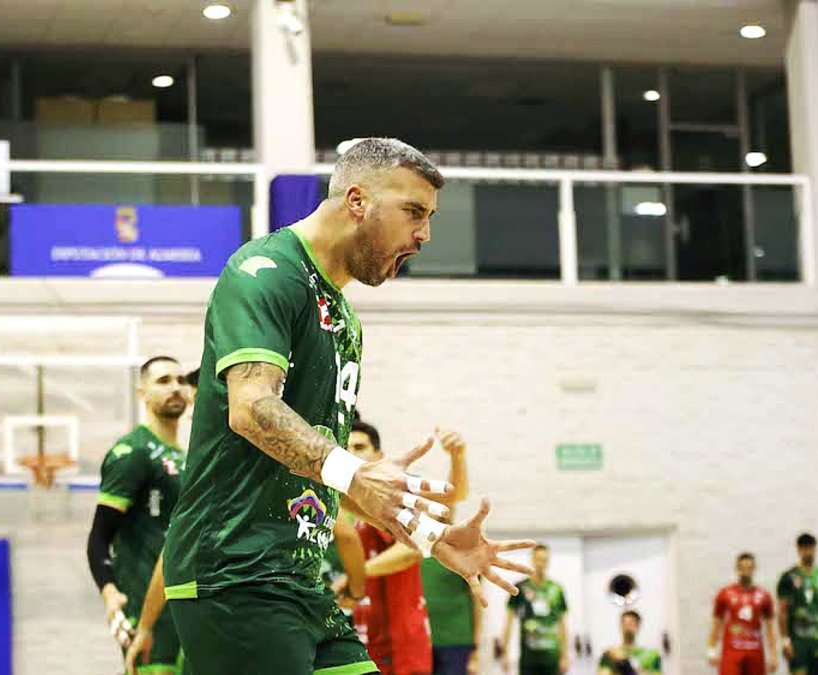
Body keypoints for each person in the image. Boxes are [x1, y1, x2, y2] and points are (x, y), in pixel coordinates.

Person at [156, 137, 534, 675]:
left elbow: (324, 467)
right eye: (414, 213)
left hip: (300, 584)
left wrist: (432, 537)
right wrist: (354, 470)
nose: (424, 235)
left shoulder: (343, 316)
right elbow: (251, 406)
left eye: (429, 218)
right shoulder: (263, 272)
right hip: (234, 573)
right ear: (357, 200)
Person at [85, 356, 190, 675]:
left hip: (185, 604)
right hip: (148, 606)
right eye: (163, 381)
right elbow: (99, 534)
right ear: (142, 393)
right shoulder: (133, 452)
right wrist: (109, 591)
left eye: (180, 380)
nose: (175, 387)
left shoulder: (184, 456)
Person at [349, 421, 470, 675]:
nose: (352, 453)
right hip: (361, 631)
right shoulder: (341, 502)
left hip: (399, 640)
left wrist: (457, 457)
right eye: (346, 448)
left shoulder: (390, 492)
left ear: (379, 456)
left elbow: (450, 497)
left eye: (360, 447)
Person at [420, 430, 478, 675]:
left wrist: (475, 646)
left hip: (455, 640)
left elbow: (477, 599)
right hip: (419, 639)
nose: (440, 511)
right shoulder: (410, 546)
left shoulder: (462, 550)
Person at [499, 544, 569, 675]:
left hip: (552, 657)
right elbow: (508, 622)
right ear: (532, 560)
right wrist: (505, 652)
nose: (541, 563)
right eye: (538, 559)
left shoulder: (557, 589)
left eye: (545, 560)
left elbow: (562, 624)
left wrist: (565, 655)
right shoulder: (520, 588)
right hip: (528, 659)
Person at [709, 553, 778, 675]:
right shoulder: (725, 593)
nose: (746, 570)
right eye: (743, 567)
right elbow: (716, 622)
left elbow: (770, 627)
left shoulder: (764, 596)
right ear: (737, 568)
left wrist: (773, 654)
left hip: (755, 653)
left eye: (749, 567)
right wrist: (711, 648)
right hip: (732, 652)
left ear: (754, 568)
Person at [778, 533, 818, 675]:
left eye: (811, 548)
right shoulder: (789, 577)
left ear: (815, 549)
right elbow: (782, 611)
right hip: (798, 642)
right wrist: (785, 641)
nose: (808, 552)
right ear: (798, 549)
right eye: (804, 548)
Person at [598, 611, 662, 675]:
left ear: (638, 626)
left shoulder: (652, 655)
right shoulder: (610, 654)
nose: (627, 627)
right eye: (624, 623)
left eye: (631, 624)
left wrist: (624, 662)